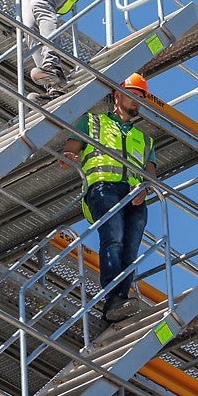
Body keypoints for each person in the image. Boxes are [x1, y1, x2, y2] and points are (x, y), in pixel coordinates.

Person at [60, 73, 157, 322]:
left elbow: (150, 172)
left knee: (131, 249)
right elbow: (70, 149)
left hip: (135, 196)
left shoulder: (145, 139)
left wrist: (145, 188)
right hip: (103, 189)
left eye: (141, 98)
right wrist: (69, 156)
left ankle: (119, 301)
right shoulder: (92, 122)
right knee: (113, 239)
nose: (138, 102)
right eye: (134, 96)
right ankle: (113, 298)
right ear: (117, 95)